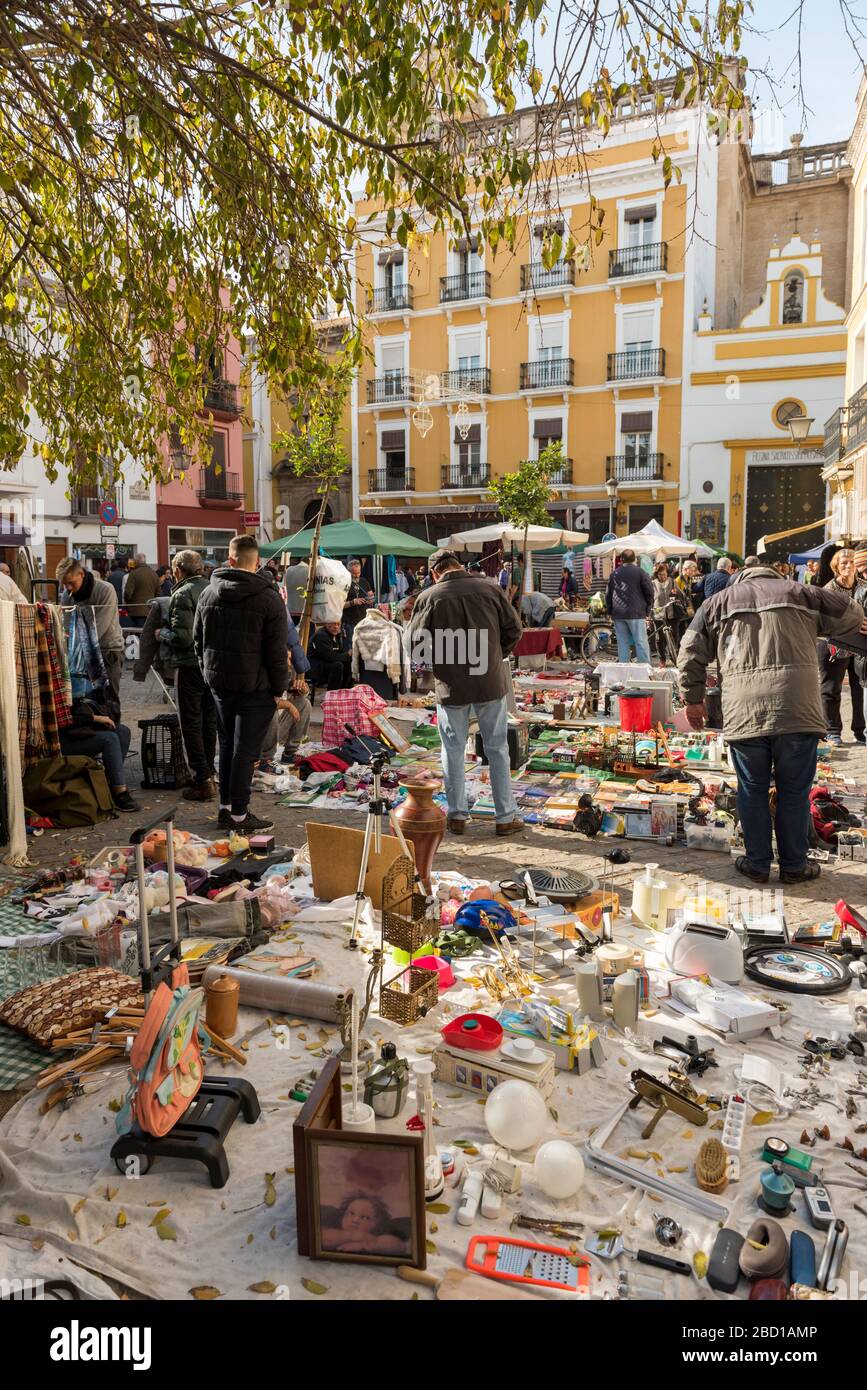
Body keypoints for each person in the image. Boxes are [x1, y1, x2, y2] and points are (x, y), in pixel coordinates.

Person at [678, 561, 867, 884]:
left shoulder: (717, 602)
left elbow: (690, 652)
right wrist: (815, 624)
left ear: (738, 578)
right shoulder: (803, 593)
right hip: (797, 709)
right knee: (795, 790)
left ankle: (757, 863)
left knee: (751, 788)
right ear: (777, 575)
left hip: (744, 712)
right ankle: (794, 866)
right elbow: (852, 613)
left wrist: (693, 700)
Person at [408, 549, 524, 838]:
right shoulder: (489, 587)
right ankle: (505, 817)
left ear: (435, 573)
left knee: (453, 750)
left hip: (452, 685)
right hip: (488, 680)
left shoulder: (430, 597)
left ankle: (458, 816)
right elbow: (514, 630)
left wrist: (441, 663)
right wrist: (495, 656)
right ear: (459, 565)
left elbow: (415, 644)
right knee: (497, 749)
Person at [194, 534, 288, 832]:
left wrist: (208, 673)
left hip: (221, 683)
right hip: (255, 687)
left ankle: (226, 808)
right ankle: (238, 814)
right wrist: (278, 689)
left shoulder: (208, 593)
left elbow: (197, 640)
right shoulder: (268, 597)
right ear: (257, 562)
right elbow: (276, 651)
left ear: (230, 559)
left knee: (228, 746)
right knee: (245, 750)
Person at [161, 549, 217, 800]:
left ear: (178, 571)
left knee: (191, 721)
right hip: (211, 663)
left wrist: (161, 635)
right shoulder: (214, 587)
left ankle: (202, 779)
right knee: (209, 720)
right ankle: (210, 773)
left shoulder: (183, 593)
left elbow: (182, 637)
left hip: (190, 663)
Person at [59, 688, 138, 812]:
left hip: (80, 730)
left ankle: (111, 781)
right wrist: (94, 718)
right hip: (64, 741)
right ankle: (119, 791)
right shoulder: (55, 687)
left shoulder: (81, 677)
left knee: (122, 731)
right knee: (109, 739)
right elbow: (63, 721)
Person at [57, 557, 125, 701]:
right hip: (79, 654)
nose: (68, 588)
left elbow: (101, 626)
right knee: (83, 701)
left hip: (107, 650)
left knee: (108, 701)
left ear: (81, 574)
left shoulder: (105, 590)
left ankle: (112, 723)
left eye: (71, 583)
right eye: (64, 584)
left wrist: (74, 645)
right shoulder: (67, 596)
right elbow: (66, 627)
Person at [818, 548, 866, 746]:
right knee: (831, 688)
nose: (848, 566)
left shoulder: (864, 586)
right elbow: (825, 621)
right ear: (836, 567)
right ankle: (832, 730)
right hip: (833, 645)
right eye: (843, 563)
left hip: (859, 646)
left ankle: (859, 730)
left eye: (851, 562)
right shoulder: (829, 590)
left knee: (858, 688)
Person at [257, 612, 311, 773]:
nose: (288, 662)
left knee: (304, 703)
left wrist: (303, 690)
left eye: (289, 659)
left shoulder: (288, 672)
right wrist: (287, 705)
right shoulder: (265, 673)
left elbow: (299, 696)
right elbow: (263, 702)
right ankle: (265, 760)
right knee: (271, 710)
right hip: (260, 732)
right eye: (285, 659)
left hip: (277, 730)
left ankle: (290, 752)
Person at [605, 549, 653, 664]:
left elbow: (608, 594)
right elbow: (649, 591)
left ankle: (624, 668)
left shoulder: (615, 573)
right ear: (635, 559)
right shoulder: (641, 572)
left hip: (619, 613)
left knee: (623, 643)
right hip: (636, 613)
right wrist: (648, 610)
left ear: (621, 560)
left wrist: (610, 611)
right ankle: (644, 669)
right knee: (640, 642)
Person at [309, 620, 353, 690]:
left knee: (349, 662)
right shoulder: (321, 635)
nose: (336, 627)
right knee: (338, 665)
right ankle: (332, 694)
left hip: (325, 664)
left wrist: (349, 655)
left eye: (338, 624)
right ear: (326, 624)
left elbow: (339, 652)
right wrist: (347, 655)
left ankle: (345, 690)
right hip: (315, 667)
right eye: (333, 624)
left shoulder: (334, 634)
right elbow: (329, 657)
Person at [123, 554, 161, 624]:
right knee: (148, 633)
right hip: (150, 609)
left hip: (136, 610)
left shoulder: (133, 574)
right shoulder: (154, 574)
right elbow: (158, 593)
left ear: (136, 562)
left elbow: (128, 593)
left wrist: (127, 603)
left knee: (138, 632)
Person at [342, 557, 373, 635]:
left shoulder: (364, 581)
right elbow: (339, 605)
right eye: (353, 574)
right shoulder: (344, 583)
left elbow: (371, 595)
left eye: (358, 573)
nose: (356, 576)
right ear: (348, 572)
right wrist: (353, 602)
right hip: (349, 622)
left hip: (363, 620)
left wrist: (370, 599)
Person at [281, 554, 309, 626]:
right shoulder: (309, 571)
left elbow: (283, 588)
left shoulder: (288, 570)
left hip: (289, 609)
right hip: (304, 610)